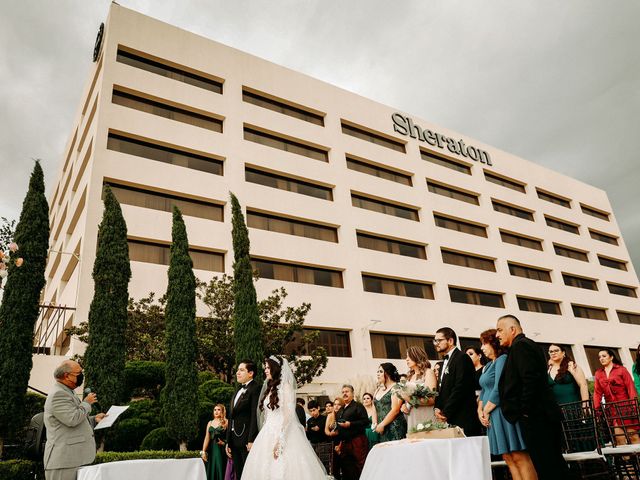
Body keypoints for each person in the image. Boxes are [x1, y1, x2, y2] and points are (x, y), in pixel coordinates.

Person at [497, 314, 569, 479]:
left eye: (500, 330)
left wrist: (525, 410)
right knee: (551, 465)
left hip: (538, 416)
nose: (497, 335)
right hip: (538, 415)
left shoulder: (521, 346)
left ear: (512, 329)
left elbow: (531, 379)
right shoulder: (523, 346)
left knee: (549, 467)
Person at [242, 356, 327, 479]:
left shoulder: (285, 386)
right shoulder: (270, 388)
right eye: (265, 368)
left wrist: (280, 439)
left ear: (275, 368)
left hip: (283, 431)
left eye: (268, 367)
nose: (265, 370)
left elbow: (288, 414)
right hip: (267, 432)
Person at [478, 329, 535, 480]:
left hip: (503, 413)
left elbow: (499, 388)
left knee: (518, 456)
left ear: (494, 344)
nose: (482, 348)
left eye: (485, 344)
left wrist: (487, 410)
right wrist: (480, 411)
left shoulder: (503, 359)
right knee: (508, 458)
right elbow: (484, 391)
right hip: (491, 416)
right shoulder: (489, 365)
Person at [43, 360, 106, 480]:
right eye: (79, 373)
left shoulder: (67, 391)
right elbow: (72, 419)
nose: (82, 375)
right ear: (67, 376)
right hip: (64, 462)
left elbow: (72, 418)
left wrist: (93, 419)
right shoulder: (58, 394)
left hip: (73, 459)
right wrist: (87, 403)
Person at [433, 327, 481, 436]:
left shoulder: (462, 358)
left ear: (450, 341)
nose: (436, 343)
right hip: (449, 417)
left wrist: (446, 412)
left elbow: (461, 388)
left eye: (439, 340)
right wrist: (437, 407)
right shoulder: (443, 362)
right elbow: (441, 388)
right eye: (435, 341)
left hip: (463, 417)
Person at [593, 348, 639, 445]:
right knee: (619, 439)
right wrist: (596, 410)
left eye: (604, 356)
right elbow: (597, 393)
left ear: (611, 357)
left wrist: (634, 406)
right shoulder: (598, 374)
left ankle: (638, 458)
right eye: (599, 357)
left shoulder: (621, 370)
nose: (601, 358)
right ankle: (627, 460)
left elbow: (630, 388)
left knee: (633, 436)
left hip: (625, 407)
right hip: (611, 409)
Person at [225, 359, 261, 479]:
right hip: (234, 440)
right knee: (239, 474)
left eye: (241, 370)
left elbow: (254, 415)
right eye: (237, 370)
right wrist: (228, 441)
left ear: (250, 373)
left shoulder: (255, 389)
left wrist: (251, 439)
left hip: (246, 441)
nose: (237, 373)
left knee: (249, 474)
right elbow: (231, 417)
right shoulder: (238, 391)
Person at [335, 384, 369, 480]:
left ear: (352, 393)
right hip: (345, 444)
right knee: (347, 469)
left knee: (360, 466)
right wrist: (339, 444)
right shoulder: (341, 410)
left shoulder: (358, 406)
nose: (344, 394)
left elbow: (365, 422)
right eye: (343, 392)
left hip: (358, 441)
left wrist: (350, 424)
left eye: (347, 391)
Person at [401, 346, 437, 432]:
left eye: (408, 356)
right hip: (412, 416)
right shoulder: (410, 376)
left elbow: (432, 399)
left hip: (425, 415)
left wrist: (409, 400)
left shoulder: (428, 372)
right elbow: (407, 399)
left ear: (416, 356)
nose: (406, 359)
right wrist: (404, 405)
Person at [373, 363, 407, 441]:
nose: (378, 374)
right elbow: (374, 407)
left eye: (381, 372)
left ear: (387, 373)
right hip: (381, 429)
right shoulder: (378, 389)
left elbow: (395, 410)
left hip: (394, 427)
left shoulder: (396, 387)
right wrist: (374, 424)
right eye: (377, 372)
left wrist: (382, 424)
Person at [201, 404, 228, 480]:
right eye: (215, 410)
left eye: (219, 410)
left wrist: (224, 443)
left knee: (221, 468)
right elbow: (207, 438)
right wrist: (203, 451)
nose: (216, 412)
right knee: (212, 469)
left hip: (222, 450)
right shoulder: (210, 423)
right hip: (212, 450)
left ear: (222, 411)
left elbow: (230, 438)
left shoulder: (226, 422)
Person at [325, 397, 344, 479]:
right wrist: (330, 433)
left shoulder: (344, 415)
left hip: (342, 441)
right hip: (333, 441)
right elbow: (326, 429)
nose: (336, 406)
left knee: (344, 465)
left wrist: (340, 444)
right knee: (334, 466)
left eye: (339, 404)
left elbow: (343, 431)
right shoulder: (330, 415)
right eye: (335, 404)